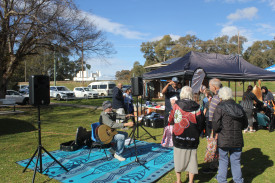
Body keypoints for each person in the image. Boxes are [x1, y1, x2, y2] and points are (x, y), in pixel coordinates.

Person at [168, 86, 205, 183]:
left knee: (178, 158)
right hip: (192, 136)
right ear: (191, 94)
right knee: (192, 158)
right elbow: (201, 121)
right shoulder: (196, 106)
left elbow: (171, 118)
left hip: (178, 135)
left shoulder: (176, 105)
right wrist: (198, 131)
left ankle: (179, 180)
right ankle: (191, 181)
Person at [212, 87, 248, 183]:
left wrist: (219, 130)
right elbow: (245, 124)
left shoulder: (220, 108)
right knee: (235, 161)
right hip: (236, 139)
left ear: (221, 96)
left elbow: (215, 125)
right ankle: (238, 181)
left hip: (224, 139)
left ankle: (222, 180)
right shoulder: (239, 107)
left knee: (223, 161)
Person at [202, 78, 222, 174]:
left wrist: (213, 130)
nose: (209, 88)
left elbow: (212, 116)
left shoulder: (218, 97)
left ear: (214, 87)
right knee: (217, 148)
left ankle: (215, 167)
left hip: (216, 127)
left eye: (210, 86)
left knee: (215, 147)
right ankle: (215, 165)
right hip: (218, 127)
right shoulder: (220, 95)